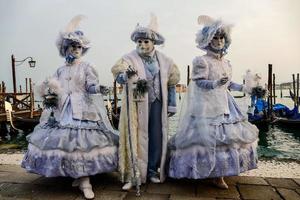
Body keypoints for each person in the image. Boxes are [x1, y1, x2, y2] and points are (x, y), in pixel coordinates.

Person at [21, 15, 119, 199]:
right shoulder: (60, 69)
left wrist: (99, 88)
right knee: (64, 142)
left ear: (82, 49)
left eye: (78, 46)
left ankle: (85, 180)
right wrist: (49, 93)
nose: (75, 49)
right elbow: (56, 87)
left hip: (82, 109)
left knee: (81, 142)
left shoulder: (87, 66)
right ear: (65, 48)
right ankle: (76, 174)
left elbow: (90, 86)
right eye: (72, 46)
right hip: (62, 109)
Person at [168, 15, 259, 189]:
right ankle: (202, 171)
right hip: (207, 106)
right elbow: (199, 82)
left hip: (226, 104)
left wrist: (246, 89)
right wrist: (215, 83)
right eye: (215, 37)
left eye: (221, 37)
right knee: (207, 139)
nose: (218, 41)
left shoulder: (227, 63)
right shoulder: (201, 61)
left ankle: (220, 174)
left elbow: (229, 84)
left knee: (227, 138)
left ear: (226, 40)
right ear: (208, 40)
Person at [111, 14, 180, 190]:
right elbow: (119, 77)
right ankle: (133, 173)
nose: (142, 45)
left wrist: (172, 104)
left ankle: (151, 171)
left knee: (156, 136)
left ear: (153, 42)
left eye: (146, 42)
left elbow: (171, 83)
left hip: (157, 102)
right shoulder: (128, 58)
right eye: (139, 42)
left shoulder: (165, 60)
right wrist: (124, 76)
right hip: (135, 105)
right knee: (135, 134)